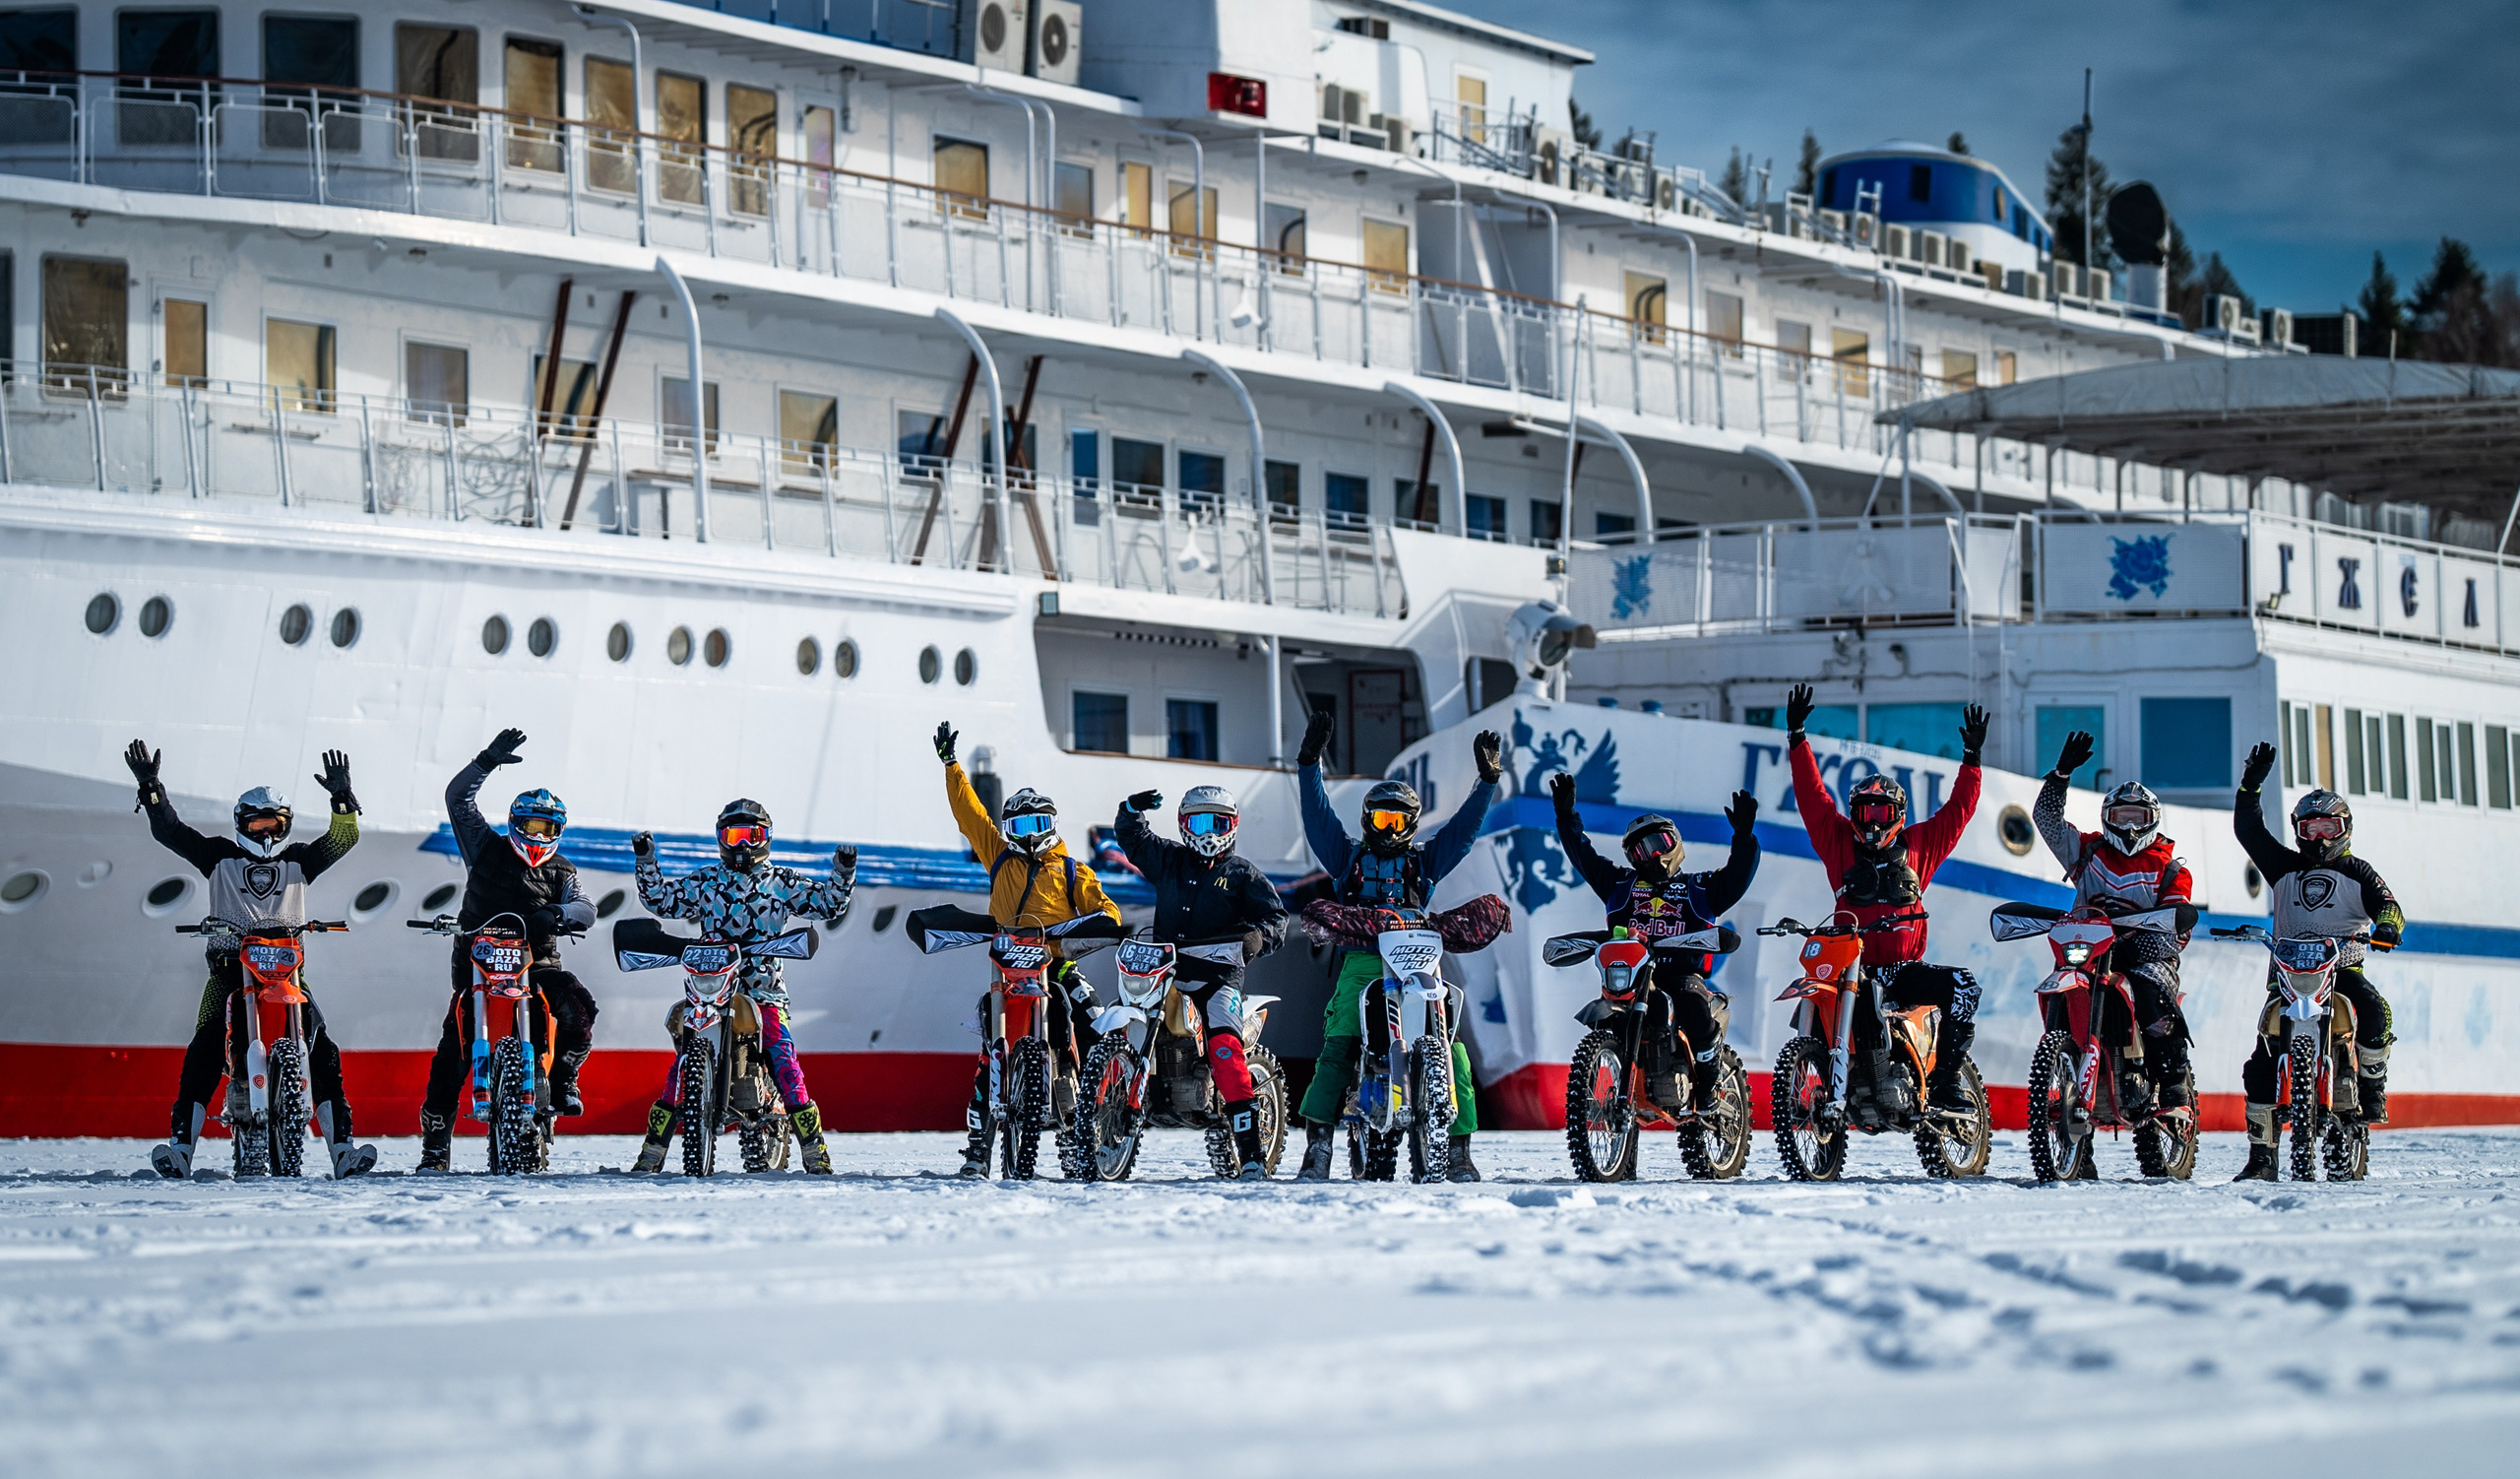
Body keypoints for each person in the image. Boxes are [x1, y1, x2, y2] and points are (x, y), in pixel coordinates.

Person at [125, 740, 376, 1179]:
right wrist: (151, 789)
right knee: (204, 1048)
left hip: (289, 975)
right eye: (258, 825)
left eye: (275, 826)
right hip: (229, 973)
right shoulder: (218, 856)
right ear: (242, 824)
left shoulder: (300, 860)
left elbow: (344, 838)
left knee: (322, 1050)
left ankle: (343, 1151)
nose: (266, 835)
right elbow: (171, 832)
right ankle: (181, 1150)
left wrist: (341, 798)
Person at [1292, 711, 1504, 1183]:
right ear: (1367, 820)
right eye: (1381, 819)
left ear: (1412, 824)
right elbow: (1318, 818)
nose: (1389, 830)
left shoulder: (1423, 865)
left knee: (1453, 1050)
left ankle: (1458, 1151)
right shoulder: (1348, 859)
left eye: (1399, 820)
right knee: (1340, 1043)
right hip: (1364, 961)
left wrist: (1487, 782)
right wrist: (1309, 764)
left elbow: (1463, 833)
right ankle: (1318, 1147)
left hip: (1418, 958)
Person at [1783, 683, 1986, 1113]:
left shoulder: (1920, 846)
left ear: (1899, 816)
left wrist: (1971, 760)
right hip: (1849, 967)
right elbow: (1812, 798)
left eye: (1882, 813)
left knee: (1965, 985)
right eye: (1865, 812)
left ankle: (1947, 1080)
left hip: (1903, 970)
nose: (1873, 823)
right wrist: (1798, 738)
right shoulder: (1838, 841)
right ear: (1853, 814)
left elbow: (1958, 812)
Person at [626, 799, 854, 1175]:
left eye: (752, 835)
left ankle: (814, 1149)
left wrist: (843, 872)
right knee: (681, 1064)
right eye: (734, 836)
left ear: (766, 838)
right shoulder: (707, 881)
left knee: (782, 1055)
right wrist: (646, 861)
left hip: (763, 992)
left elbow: (828, 905)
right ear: (721, 838)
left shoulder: (781, 882)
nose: (743, 845)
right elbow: (662, 901)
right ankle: (653, 1150)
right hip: (710, 990)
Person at [936, 722, 1123, 1178]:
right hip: (1007, 968)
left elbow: (1105, 909)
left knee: (1092, 1015)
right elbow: (970, 816)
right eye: (1019, 826)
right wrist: (951, 765)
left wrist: (1101, 922)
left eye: (1037, 824)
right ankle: (978, 1150)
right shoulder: (999, 856)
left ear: (1052, 826)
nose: (1029, 834)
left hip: (1055, 964)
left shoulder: (1072, 870)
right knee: (990, 1049)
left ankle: (1092, 1111)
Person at [415, 728, 601, 1172]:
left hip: (537, 967)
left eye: (548, 828)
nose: (539, 834)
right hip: (478, 968)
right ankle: (434, 1151)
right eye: (533, 825)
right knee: (450, 1057)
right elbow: (458, 801)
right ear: (516, 823)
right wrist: (486, 761)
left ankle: (563, 1082)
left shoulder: (563, 871)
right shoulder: (485, 848)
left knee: (581, 1010)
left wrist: (556, 915)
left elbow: (586, 908)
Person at [2230, 742, 2404, 1182]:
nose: (2321, 838)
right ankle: (2262, 1157)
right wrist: (2251, 785)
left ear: (2344, 829)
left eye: (2329, 827)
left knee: (2375, 1010)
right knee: (2261, 1061)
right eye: (2311, 829)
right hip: (2287, 977)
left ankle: (2371, 1088)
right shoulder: (2282, 867)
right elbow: (2249, 830)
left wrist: (2387, 926)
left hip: (2342, 971)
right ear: (2298, 832)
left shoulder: (2359, 872)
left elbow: (2388, 906)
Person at [1549, 773, 1759, 1114]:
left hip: (1681, 975)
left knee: (1692, 1005)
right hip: (1631, 975)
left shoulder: (1700, 887)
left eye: (1659, 844)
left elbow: (1737, 876)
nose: (1652, 855)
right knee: (1609, 1014)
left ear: (1675, 843)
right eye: (1641, 850)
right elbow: (1583, 856)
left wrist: (1745, 837)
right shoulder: (1619, 884)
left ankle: (1708, 1086)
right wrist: (1565, 817)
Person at [1112, 784, 1291, 1178]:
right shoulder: (1169, 860)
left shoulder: (1243, 874)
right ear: (1183, 824)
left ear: (1233, 826)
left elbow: (1277, 918)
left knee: (1225, 1049)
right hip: (1165, 972)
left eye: (1218, 823)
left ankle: (1252, 1155)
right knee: (1121, 1020)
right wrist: (1130, 810)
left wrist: (1258, 937)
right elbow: (1134, 840)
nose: (1209, 832)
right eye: (1199, 822)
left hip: (1218, 978)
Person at [2032, 733, 2196, 1118]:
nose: (2131, 826)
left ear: (2153, 820)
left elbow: (2178, 919)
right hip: (2090, 949)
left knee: (2152, 994)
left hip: (2147, 953)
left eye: (2139, 817)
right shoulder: (2089, 851)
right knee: (2061, 984)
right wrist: (2060, 776)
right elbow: (2047, 823)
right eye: (2122, 817)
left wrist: (2157, 931)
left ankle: (2174, 1085)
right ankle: (2064, 1065)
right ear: (2108, 819)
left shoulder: (2171, 868)